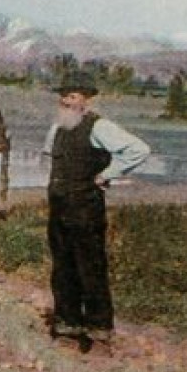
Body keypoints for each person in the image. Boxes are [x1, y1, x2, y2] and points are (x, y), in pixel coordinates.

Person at [42, 73, 151, 350]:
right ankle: (67, 325)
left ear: (86, 101)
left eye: (74, 96)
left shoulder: (99, 127)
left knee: (90, 267)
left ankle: (99, 331)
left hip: (86, 208)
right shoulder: (57, 129)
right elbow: (51, 160)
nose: (67, 101)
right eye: (64, 96)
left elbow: (138, 150)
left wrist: (107, 175)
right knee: (62, 267)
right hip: (59, 208)